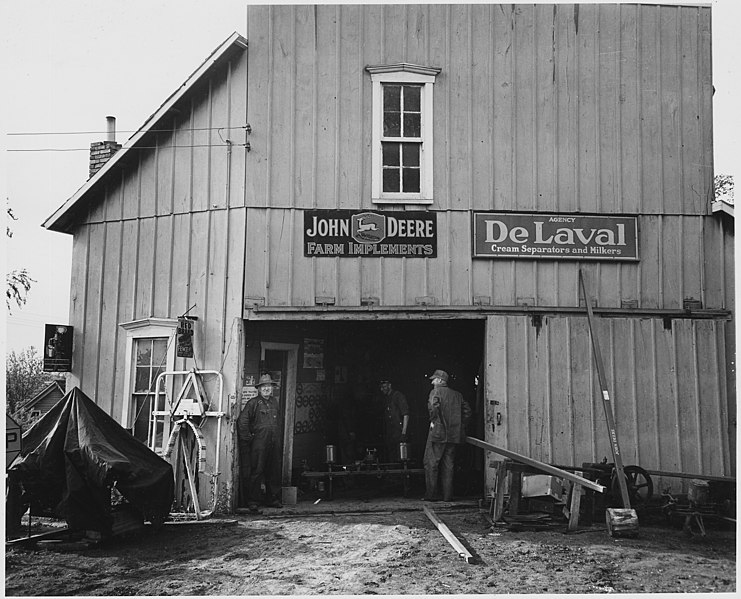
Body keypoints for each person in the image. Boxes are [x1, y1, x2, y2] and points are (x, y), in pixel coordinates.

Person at [422, 369, 471, 502]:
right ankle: (447, 496)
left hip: (438, 433)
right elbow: (467, 412)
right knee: (448, 465)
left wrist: (434, 421)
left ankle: (431, 495)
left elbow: (433, 407)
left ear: (440, 381)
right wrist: (460, 427)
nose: (432, 382)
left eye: (434, 379)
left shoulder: (435, 392)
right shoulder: (458, 395)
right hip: (453, 435)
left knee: (431, 463)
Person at [238, 373, 283, 513]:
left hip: (273, 442)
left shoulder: (274, 402)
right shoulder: (253, 403)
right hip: (259, 443)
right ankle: (253, 501)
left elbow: (279, 421)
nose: (266, 389)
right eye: (263, 386)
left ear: (272, 388)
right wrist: (249, 439)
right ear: (259, 389)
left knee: (273, 470)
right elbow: (242, 422)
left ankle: (272, 499)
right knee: (256, 471)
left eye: (269, 386)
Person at [378, 378, 409, 463]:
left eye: (384, 386)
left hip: (398, 432)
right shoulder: (386, 398)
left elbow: (405, 414)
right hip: (390, 433)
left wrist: (404, 432)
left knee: (400, 457)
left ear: (389, 385)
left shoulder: (398, 396)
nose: (382, 389)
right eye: (381, 387)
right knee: (392, 457)